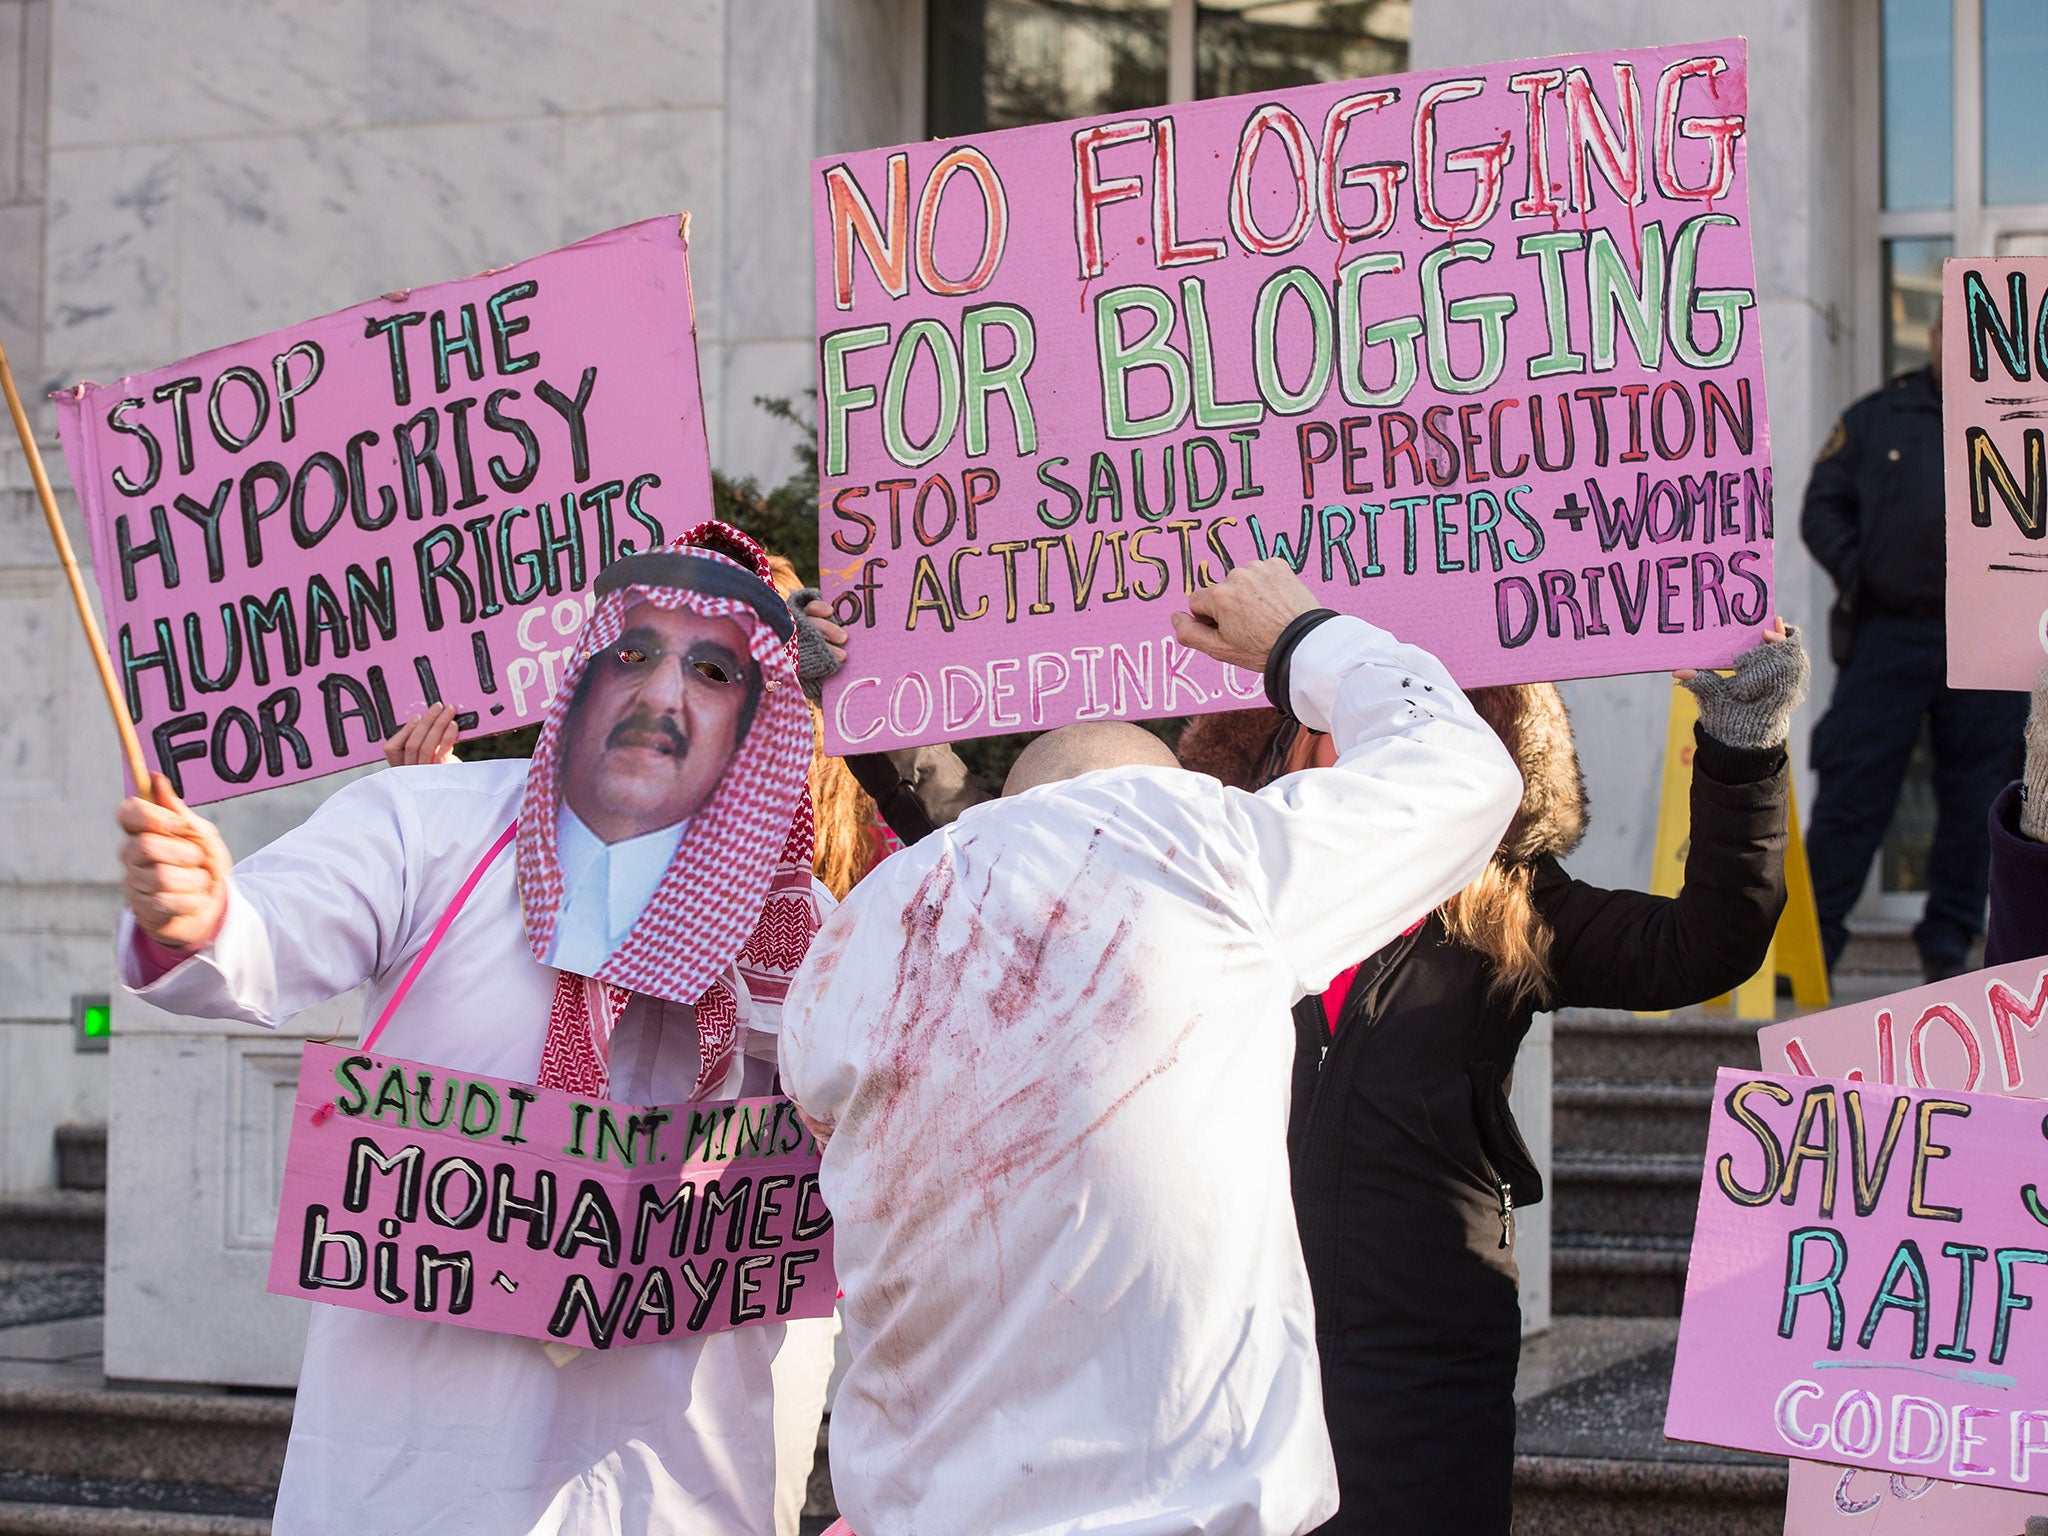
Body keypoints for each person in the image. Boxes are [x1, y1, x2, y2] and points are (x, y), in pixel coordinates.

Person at [778, 559, 1524, 1536]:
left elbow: (824, 1111)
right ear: (1168, 799)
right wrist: (1303, 635)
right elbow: (1461, 773)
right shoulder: (1208, 854)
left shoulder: (854, 932)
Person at [113, 524, 823, 1536]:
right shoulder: (423, 825)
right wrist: (197, 916)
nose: (662, 696)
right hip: (416, 1463)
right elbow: (261, 937)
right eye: (634, 654)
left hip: (676, 1481)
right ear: (581, 674)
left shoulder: (811, 937)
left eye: (709, 671)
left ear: (752, 722)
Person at [1177, 623, 1806, 1536]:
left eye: (1411, 709)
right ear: (1283, 731)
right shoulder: (1205, 885)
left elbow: (1705, 945)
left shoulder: (1508, 904)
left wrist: (1744, 745)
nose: (1376, 734)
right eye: (1346, 703)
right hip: (1221, 1343)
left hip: (1422, 1354)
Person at [1803, 317, 2026, 980]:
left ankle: (1950, 944)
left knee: (1980, 796)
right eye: (1946, 330)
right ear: (1930, 337)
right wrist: (1861, 574)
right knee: (1852, 787)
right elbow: (1822, 508)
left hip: (1990, 633)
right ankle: (1813, 948)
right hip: (1890, 632)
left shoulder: (2026, 418)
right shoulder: (1877, 418)